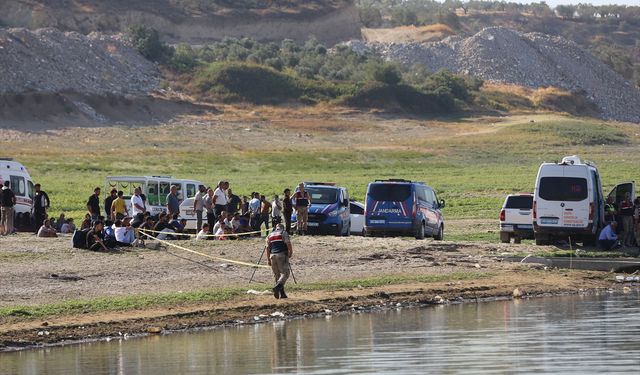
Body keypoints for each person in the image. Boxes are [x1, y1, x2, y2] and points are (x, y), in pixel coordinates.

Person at [266, 224, 293, 299]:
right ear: (282, 228)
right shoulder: (283, 233)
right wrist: (290, 252)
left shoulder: (270, 235)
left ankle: (282, 294)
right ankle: (277, 287)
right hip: (281, 255)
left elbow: (267, 248)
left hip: (272, 256)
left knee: (277, 275)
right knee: (285, 273)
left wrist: (268, 259)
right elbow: (288, 243)